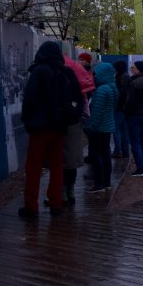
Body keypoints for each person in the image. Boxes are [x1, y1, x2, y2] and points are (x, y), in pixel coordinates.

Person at [19, 41, 81, 218]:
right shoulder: (66, 72)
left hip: (39, 126)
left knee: (34, 167)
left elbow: (30, 99)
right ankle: (56, 203)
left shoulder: (39, 71)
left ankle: (31, 207)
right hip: (60, 126)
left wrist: (27, 119)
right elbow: (78, 97)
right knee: (57, 166)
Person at [60, 55, 95, 205]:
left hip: (63, 126)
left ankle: (62, 193)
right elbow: (84, 107)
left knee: (62, 162)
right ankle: (70, 192)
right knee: (72, 162)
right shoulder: (80, 88)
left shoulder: (61, 85)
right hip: (75, 125)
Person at [85, 62, 118, 193]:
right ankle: (107, 182)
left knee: (97, 155)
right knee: (105, 155)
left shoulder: (101, 90)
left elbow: (97, 112)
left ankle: (99, 184)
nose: (94, 76)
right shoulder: (113, 88)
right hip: (108, 126)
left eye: (96, 73)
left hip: (99, 128)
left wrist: (91, 127)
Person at [112, 60, 130, 158]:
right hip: (126, 108)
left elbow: (121, 94)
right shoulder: (127, 77)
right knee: (124, 130)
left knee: (116, 129)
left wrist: (117, 104)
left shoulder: (120, 78)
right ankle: (125, 151)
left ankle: (118, 150)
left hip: (119, 108)